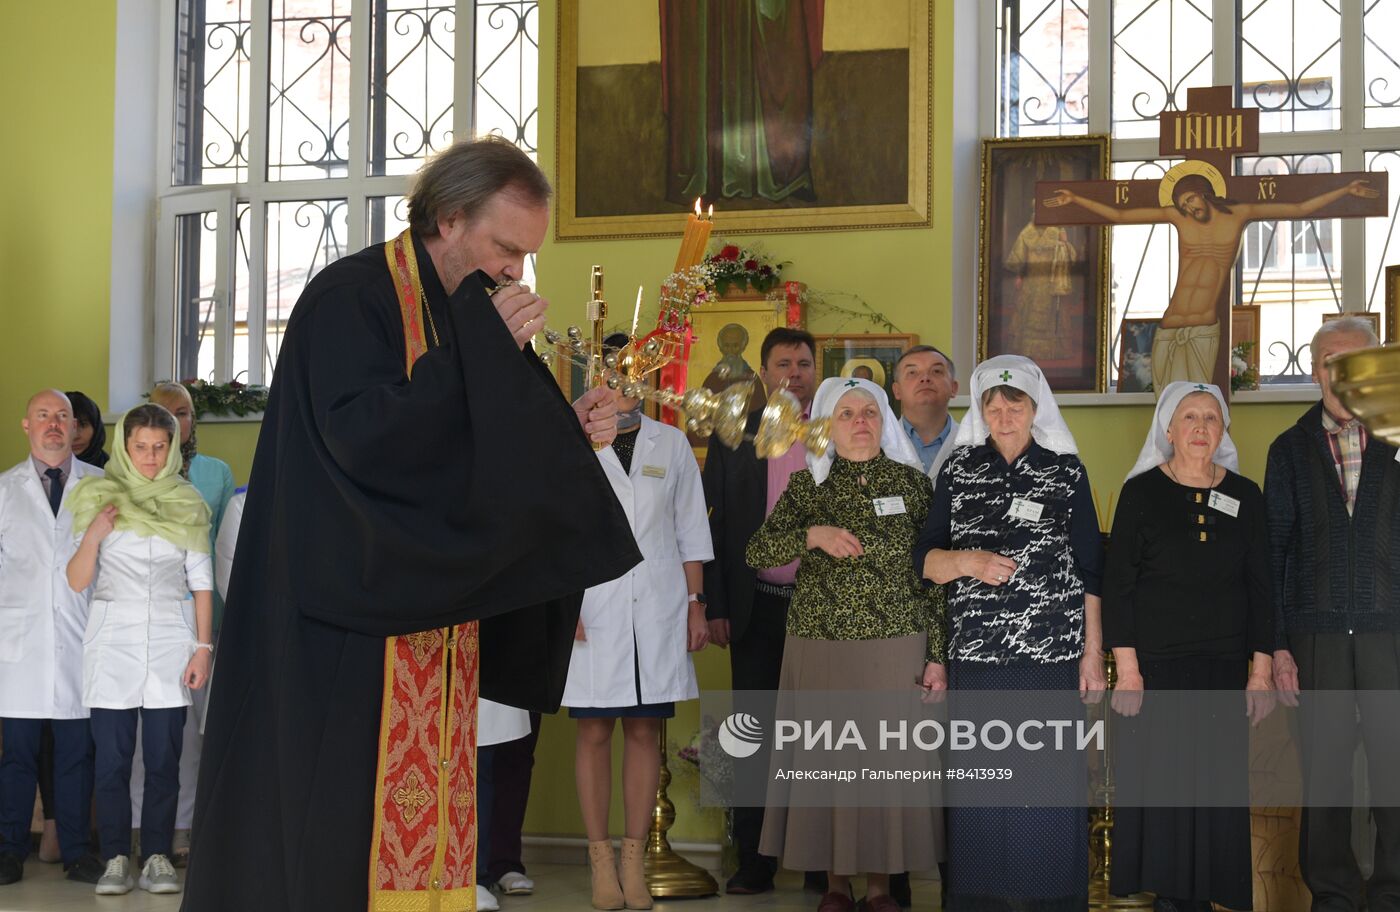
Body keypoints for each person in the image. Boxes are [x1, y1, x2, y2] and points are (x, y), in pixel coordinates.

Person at [182, 136, 641, 912]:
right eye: (505, 249)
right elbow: (366, 442)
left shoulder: (466, 313)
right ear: (450, 217)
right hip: (342, 622)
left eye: (527, 257)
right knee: (334, 829)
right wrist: (482, 353)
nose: (514, 273)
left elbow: (481, 443)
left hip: (427, 620)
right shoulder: (352, 297)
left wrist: (568, 425)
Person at [914, 354, 1106, 912]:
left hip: (1051, 656)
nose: (1002, 412)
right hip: (976, 656)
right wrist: (966, 561)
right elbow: (923, 559)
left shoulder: (1065, 471)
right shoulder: (958, 470)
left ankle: (1053, 900)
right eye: (991, 404)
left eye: (1014, 402)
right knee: (982, 789)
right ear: (980, 410)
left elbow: (1091, 567)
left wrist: (1092, 654)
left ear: (1033, 407)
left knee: (1048, 788)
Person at [748, 376, 945, 912]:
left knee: (885, 765)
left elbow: (936, 577)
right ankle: (836, 885)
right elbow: (758, 548)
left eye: (870, 413)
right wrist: (812, 534)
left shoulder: (914, 487)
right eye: (847, 413)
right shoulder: (810, 486)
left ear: (884, 422)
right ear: (828, 427)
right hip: (820, 643)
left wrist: (936, 655)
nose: (860, 422)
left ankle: (880, 888)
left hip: (896, 643)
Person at [1103, 381, 1274, 912]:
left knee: (1215, 796)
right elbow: (1119, 587)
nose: (1201, 428)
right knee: (1165, 796)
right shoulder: (1141, 492)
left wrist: (1261, 672)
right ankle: (1172, 902)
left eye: (1211, 418)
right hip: (1155, 673)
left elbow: (1263, 588)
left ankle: (1202, 900)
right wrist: (1127, 671)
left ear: (1223, 431)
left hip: (1223, 670)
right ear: (1169, 429)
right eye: (1189, 418)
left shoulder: (1246, 496)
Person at [564, 333, 713, 911]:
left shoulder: (670, 443)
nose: (621, 385)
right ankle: (600, 860)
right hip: (591, 604)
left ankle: (635, 861)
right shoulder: (570, 440)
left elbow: (689, 528)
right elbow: (555, 530)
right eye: (610, 372)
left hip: (658, 603)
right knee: (595, 729)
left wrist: (697, 602)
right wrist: (562, 603)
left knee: (646, 729)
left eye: (632, 374)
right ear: (591, 376)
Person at [1266, 316, 1400, 911]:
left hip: (1390, 636)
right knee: (1324, 779)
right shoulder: (1288, 449)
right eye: (1329, 362)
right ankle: (1335, 898)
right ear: (1314, 370)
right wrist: (1278, 645)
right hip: (1313, 637)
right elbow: (1273, 551)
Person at [65, 404, 214, 896]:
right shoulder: (99, 497)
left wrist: (203, 648)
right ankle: (113, 857)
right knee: (111, 759)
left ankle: (155, 856)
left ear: (172, 448)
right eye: (140, 447)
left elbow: (201, 585)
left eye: (159, 447)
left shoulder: (188, 501)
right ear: (125, 448)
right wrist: (94, 535)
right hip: (113, 643)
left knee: (163, 758)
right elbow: (76, 579)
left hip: (173, 642)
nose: (150, 458)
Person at [1044, 175, 1379, 389]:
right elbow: (1118, 215)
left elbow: (1299, 207)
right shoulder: (1178, 218)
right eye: (1183, 204)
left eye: (1192, 199)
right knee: (1167, 415)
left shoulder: (1240, 214)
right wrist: (1075, 199)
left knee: (1200, 409)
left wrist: (1346, 190)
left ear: (1205, 194)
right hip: (1170, 326)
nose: (1189, 207)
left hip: (1203, 327)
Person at [701, 326, 820, 895]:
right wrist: (716, 604)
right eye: (782, 364)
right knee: (748, 735)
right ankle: (753, 861)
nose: (793, 373)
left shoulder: (836, 436)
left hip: (826, 613)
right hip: (753, 608)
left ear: (815, 371)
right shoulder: (733, 437)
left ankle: (826, 865)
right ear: (763, 374)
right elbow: (715, 528)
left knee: (825, 736)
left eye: (802, 363)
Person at [0, 390, 105, 888]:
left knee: (75, 751)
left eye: (62, 416)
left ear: (74, 426)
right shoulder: (4, 490)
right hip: (19, 643)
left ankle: (79, 852)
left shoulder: (103, 487)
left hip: (81, 638)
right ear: (27, 426)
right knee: (16, 753)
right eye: (43, 415)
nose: (54, 424)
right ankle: (7, 848)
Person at [139, 381, 235, 864]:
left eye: (184, 413)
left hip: (202, 624)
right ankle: (144, 830)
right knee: (147, 736)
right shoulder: (130, 473)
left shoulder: (216, 474)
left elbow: (221, 550)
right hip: (144, 621)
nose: (175, 422)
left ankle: (185, 830)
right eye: (163, 411)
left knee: (196, 732)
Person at [890, 345, 960, 480]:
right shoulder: (880, 445)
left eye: (936, 371)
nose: (925, 378)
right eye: (912, 373)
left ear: (953, 388)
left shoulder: (978, 444)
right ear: (896, 390)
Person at [68, 390, 110, 469]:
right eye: (69, 427)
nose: (76, 436)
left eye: (83, 425)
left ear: (96, 427)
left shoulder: (114, 471)